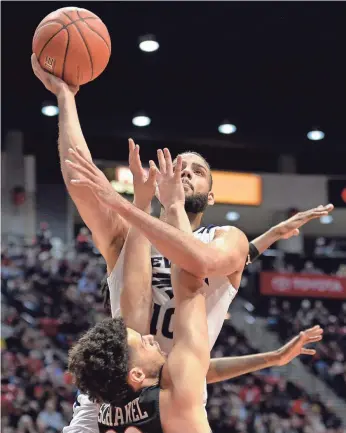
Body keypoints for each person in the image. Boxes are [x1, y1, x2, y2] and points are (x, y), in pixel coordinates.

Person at [66, 178, 323, 433]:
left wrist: (273, 234)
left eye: (196, 171)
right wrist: (148, 205)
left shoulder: (124, 369)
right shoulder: (139, 251)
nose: (186, 174)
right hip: (160, 390)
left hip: (129, 392)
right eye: (181, 169)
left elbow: (219, 262)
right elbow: (194, 274)